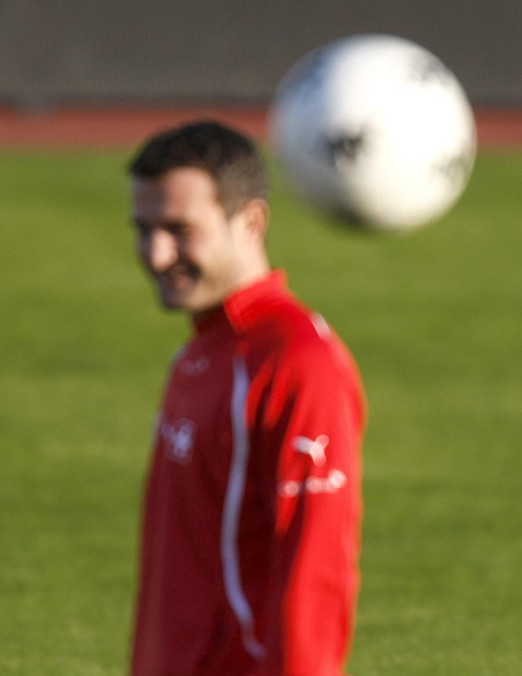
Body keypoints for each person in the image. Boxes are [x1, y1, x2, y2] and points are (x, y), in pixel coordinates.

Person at [127, 121, 366, 675]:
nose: (158, 254)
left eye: (180, 229)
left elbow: (316, 570)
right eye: (144, 229)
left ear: (251, 221)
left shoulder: (296, 363)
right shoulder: (198, 356)